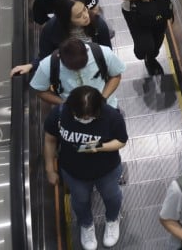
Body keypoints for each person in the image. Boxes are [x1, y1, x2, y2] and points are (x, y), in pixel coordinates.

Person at [44, 86, 128, 250]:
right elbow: (50, 139)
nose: (85, 119)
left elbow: (121, 140)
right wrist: (49, 168)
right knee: (80, 201)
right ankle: (86, 225)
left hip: (107, 170)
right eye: (80, 116)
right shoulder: (60, 114)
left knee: (112, 197)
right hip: (73, 172)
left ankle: (112, 220)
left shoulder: (111, 116)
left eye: (90, 116)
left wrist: (99, 146)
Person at [30, 37, 125, 107]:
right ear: (60, 57)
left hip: (107, 106)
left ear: (87, 51)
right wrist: (64, 103)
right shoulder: (48, 65)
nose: (77, 70)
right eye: (71, 68)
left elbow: (116, 75)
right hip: (73, 114)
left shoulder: (103, 53)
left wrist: (103, 98)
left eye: (82, 66)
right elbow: (40, 90)